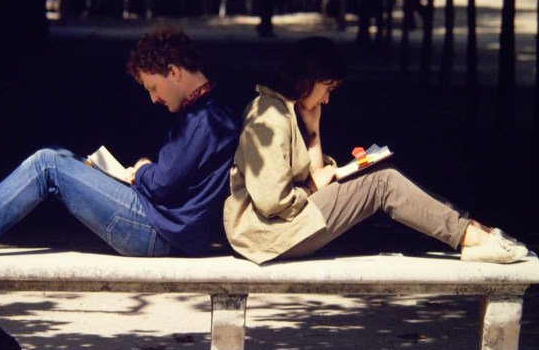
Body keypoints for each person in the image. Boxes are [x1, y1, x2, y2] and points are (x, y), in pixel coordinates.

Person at [0, 27, 240, 258]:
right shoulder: (211, 109)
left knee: (47, 163)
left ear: (174, 72)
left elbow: (163, 185)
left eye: (153, 87)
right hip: (164, 226)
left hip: (158, 232)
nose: (153, 99)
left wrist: (142, 170)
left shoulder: (205, 119)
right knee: (61, 156)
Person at [223, 36, 528, 265]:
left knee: (382, 175)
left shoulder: (287, 112)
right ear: (308, 79)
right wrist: (313, 186)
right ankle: (470, 237)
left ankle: (470, 228)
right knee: (382, 183)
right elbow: (272, 201)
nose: (328, 98)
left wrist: (313, 131)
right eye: (327, 88)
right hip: (267, 234)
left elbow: (314, 177)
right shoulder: (269, 116)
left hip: (281, 227)